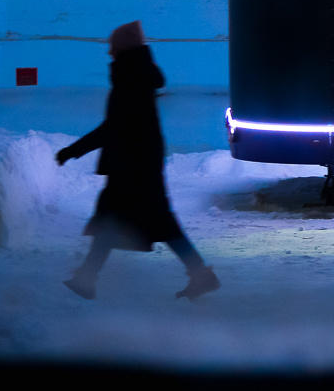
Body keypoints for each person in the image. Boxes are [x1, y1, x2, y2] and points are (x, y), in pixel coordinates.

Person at [55, 20, 219, 301]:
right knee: (116, 219)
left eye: (113, 47)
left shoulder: (130, 79)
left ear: (122, 49)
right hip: (135, 163)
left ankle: (201, 275)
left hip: (134, 167)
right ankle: (86, 278)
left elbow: (113, 126)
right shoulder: (136, 75)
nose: (109, 53)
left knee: (153, 222)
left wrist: (73, 150)